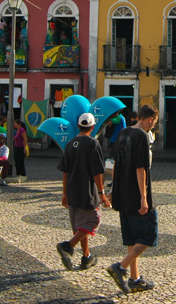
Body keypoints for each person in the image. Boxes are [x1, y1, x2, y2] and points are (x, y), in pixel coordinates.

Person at [106, 104, 159, 294]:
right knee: (148, 234)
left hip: (122, 193)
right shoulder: (142, 136)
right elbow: (141, 168)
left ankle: (135, 278)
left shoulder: (123, 133)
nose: (153, 126)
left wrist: (112, 190)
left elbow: (115, 164)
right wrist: (144, 198)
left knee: (132, 236)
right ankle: (120, 267)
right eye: (154, 122)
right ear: (150, 119)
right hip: (136, 195)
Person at [56, 112, 110, 271]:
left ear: (78, 126)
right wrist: (101, 193)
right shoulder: (93, 143)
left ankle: (86, 257)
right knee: (93, 221)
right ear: (93, 127)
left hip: (72, 189)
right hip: (87, 191)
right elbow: (96, 172)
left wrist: (64, 193)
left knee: (80, 225)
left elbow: (65, 171)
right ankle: (68, 245)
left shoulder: (70, 143)